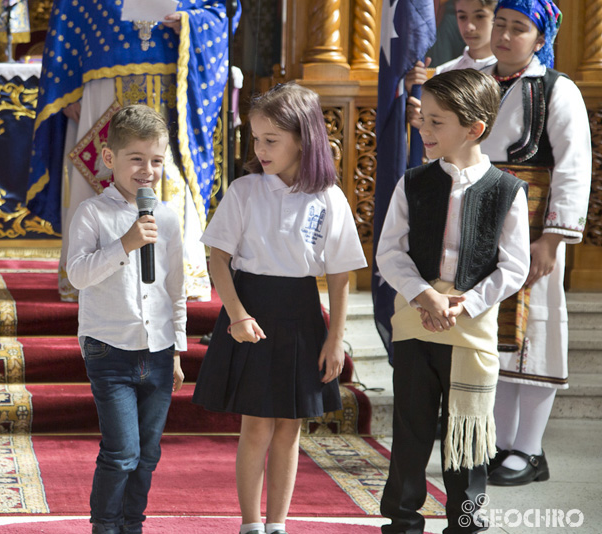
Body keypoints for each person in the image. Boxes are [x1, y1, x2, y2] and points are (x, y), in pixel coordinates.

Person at [192, 83, 367, 534]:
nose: (260, 149)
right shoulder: (246, 190)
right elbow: (218, 258)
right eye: (255, 138)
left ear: (303, 140)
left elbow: (342, 274)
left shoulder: (328, 196)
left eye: (272, 140)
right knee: (255, 425)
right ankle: (251, 524)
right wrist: (235, 314)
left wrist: (335, 338)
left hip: (302, 315)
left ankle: (277, 525)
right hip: (250, 312)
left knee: (290, 428)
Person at [376, 68, 530, 533]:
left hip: (471, 326)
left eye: (435, 121)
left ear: (474, 129)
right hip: (417, 320)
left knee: (466, 434)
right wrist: (425, 295)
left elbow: (514, 266)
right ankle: (402, 521)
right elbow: (389, 252)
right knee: (411, 429)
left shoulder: (507, 191)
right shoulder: (412, 183)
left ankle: (466, 522)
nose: (422, 128)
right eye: (422, 118)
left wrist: (468, 302)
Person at [27, 0, 238, 303]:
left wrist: (190, 22)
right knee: (99, 168)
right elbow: (69, 13)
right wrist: (67, 86)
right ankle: (92, 271)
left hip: (173, 79)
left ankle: (178, 275)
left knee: (167, 170)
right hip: (101, 76)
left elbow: (221, 10)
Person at [480, 0, 591, 486]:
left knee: (536, 335)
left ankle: (529, 449)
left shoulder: (558, 90)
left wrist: (552, 239)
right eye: (499, 24)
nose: (505, 35)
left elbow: (573, 168)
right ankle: (502, 443)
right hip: (482, 221)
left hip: (531, 225)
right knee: (494, 336)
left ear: (540, 38)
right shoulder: (477, 78)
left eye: (518, 28)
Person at [66, 105, 186, 534]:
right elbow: (77, 274)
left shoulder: (168, 216)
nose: (147, 170)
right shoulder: (92, 214)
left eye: (156, 160)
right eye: (136, 158)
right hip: (109, 348)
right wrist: (126, 244)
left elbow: (176, 286)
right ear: (110, 158)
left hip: (158, 351)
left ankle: (132, 525)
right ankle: (105, 527)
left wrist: (178, 349)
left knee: (148, 454)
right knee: (121, 452)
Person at [406, 0, 498, 129]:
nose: (469, 27)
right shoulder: (444, 73)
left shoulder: (505, 71)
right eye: (462, 17)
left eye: (479, 16)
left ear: (497, 18)